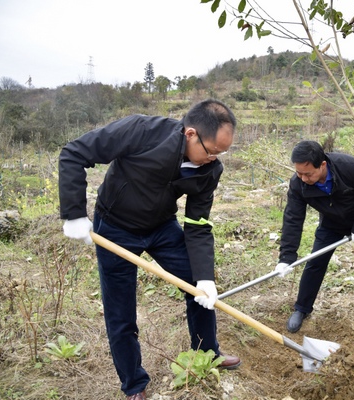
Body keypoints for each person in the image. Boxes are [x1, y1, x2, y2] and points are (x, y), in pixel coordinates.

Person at [59, 99, 241, 400]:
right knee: (121, 311)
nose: (215, 159)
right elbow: (74, 153)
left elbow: (196, 223)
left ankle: (208, 353)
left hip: (161, 227)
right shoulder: (142, 131)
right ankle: (134, 384)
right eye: (212, 151)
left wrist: (205, 277)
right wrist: (74, 213)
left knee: (198, 290)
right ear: (191, 134)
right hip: (115, 228)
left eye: (222, 153)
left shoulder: (210, 170)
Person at [273, 140, 354, 333]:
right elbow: (293, 218)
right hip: (331, 223)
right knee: (316, 261)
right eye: (299, 173)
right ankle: (302, 308)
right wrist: (286, 257)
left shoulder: (348, 167)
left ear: (322, 165)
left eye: (308, 173)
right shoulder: (298, 184)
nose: (303, 178)